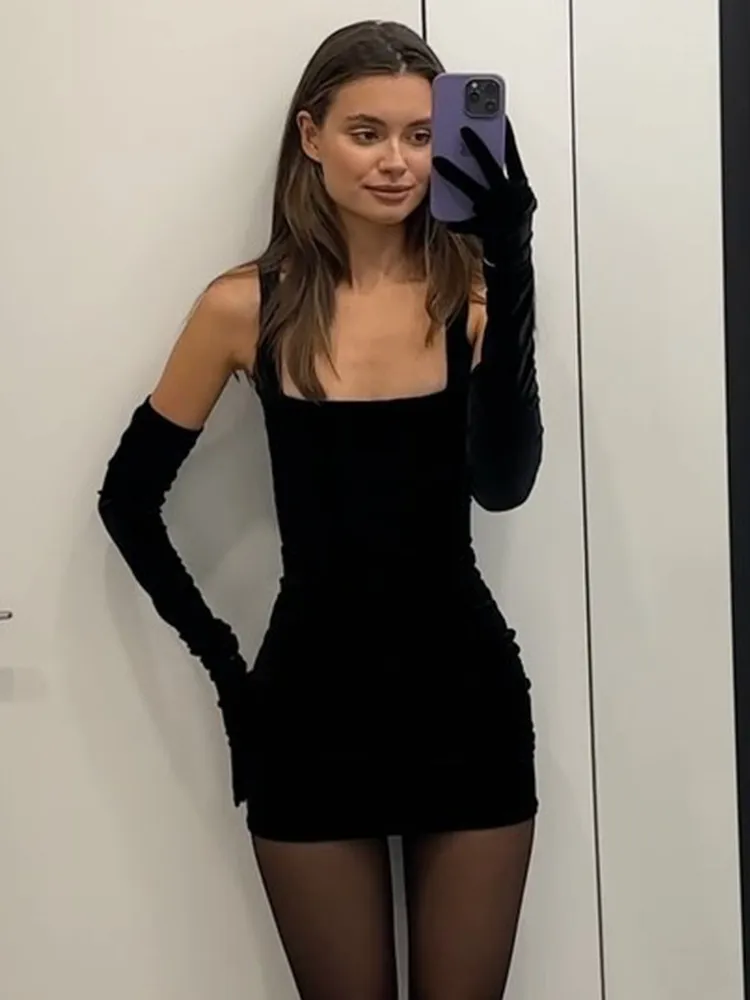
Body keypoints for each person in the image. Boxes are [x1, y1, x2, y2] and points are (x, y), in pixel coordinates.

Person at [98, 18, 542, 1000]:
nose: (396, 162)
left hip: (466, 704)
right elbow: (127, 501)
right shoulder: (243, 307)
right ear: (312, 136)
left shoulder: (471, 295)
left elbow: (505, 483)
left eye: (422, 136)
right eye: (366, 132)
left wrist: (511, 259)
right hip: (308, 714)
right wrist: (229, 672)